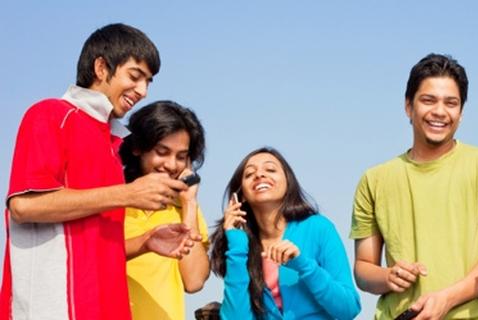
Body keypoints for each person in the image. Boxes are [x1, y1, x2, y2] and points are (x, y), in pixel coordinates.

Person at [1, 23, 193, 319]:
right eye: (135, 76)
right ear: (102, 67)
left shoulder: (112, 146)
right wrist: (127, 193)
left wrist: (146, 242)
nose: (142, 91)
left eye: (148, 82)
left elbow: (92, 252)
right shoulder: (50, 114)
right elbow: (23, 206)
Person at [350, 53, 478, 319]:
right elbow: (363, 268)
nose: (439, 111)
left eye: (451, 103)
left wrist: (445, 299)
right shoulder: (374, 179)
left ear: (461, 113)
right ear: (408, 106)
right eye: (428, 100)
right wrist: (388, 276)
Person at [210, 147, 361, 320]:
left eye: (270, 169)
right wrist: (236, 244)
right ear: (241, 195)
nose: (259, 175)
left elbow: (349, 309)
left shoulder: (319, 228)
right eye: (250, 174)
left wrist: (304, 265)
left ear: (288, 183)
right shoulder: (241, 246)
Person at [120, 101, 211, 319]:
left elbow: (194, 281)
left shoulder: (186, 209)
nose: (171, 165)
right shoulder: (111, 198)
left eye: (181, 157)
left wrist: (189, 203)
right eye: (162, 152)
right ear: (137, 147)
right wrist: (146, 241)